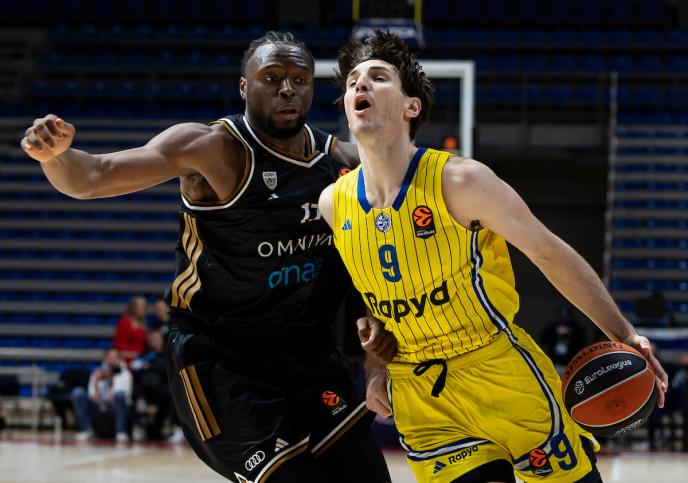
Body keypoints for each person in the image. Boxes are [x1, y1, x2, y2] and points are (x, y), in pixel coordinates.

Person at [21, 31, 392, 483]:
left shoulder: (342, 163)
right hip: (222, 359)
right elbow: (93, 176)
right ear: (244, 86)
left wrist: (376, 362)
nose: (287, 89)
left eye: (300, 79)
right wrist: (56, 156)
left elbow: (373, 267)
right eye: (272, 78)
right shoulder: (212, 149)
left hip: (308, 354)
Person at [318, 31, 669, 483]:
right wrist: (375, 369)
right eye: (352, 82)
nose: (360, 85)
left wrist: (625, 333)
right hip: (421, 396)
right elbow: (376, 303)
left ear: (411, 107)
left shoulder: (461, 181)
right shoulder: (334, 204)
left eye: (378, 77)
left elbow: (548, 252)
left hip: (499, 371)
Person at [70, 347, 132, 442]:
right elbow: (92, 395)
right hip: (98, 405)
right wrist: (96, 384)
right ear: (105, 359)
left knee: (120, 395)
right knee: (77, 393)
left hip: (114, 407)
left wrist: (110, 382)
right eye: (109, 357)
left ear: (119, 359)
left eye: (114, 357)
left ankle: (120, 431)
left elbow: (120, 397)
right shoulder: (97, 373)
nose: (112, 360)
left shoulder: (125, 374)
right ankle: (86, 430)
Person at [539, 305, 588, 376]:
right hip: (554, 363)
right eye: (562, 317)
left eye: (567, 317)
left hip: (571, 364)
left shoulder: (577, 328)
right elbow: (543, 340)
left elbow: (583, 343)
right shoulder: (552, 327)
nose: (564, 319)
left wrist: (570, 335)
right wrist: (555, 333)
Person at [113, 296, 148, 366]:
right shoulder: (124, 322)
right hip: (125, 361)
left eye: (144, 308)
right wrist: (135, 355)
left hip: (140, 361)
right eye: (140, 308)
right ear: (133, 308)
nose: (143, 310)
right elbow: (119, 346)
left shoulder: (144, 324)